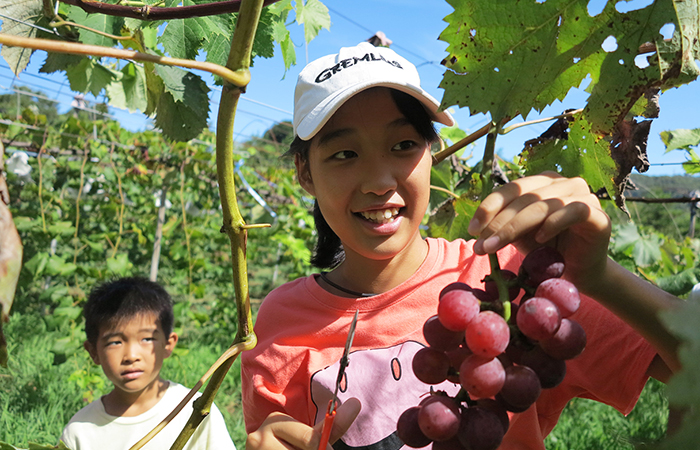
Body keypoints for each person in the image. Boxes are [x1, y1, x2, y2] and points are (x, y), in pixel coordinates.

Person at [241, 41, 681, 450]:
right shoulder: (281, 320)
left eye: (403, 145)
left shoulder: (507, 279)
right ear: (304, 173)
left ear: (430, 155)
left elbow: (690, 362)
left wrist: (600, 278)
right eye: (344, 154)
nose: (379, 182)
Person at [60, 276, 237, 450]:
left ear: (168, 344)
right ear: (93, 352)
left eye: (146, 339)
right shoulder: (80, 431)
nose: (131, 355)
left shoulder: (197, 410)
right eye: (115, 342)